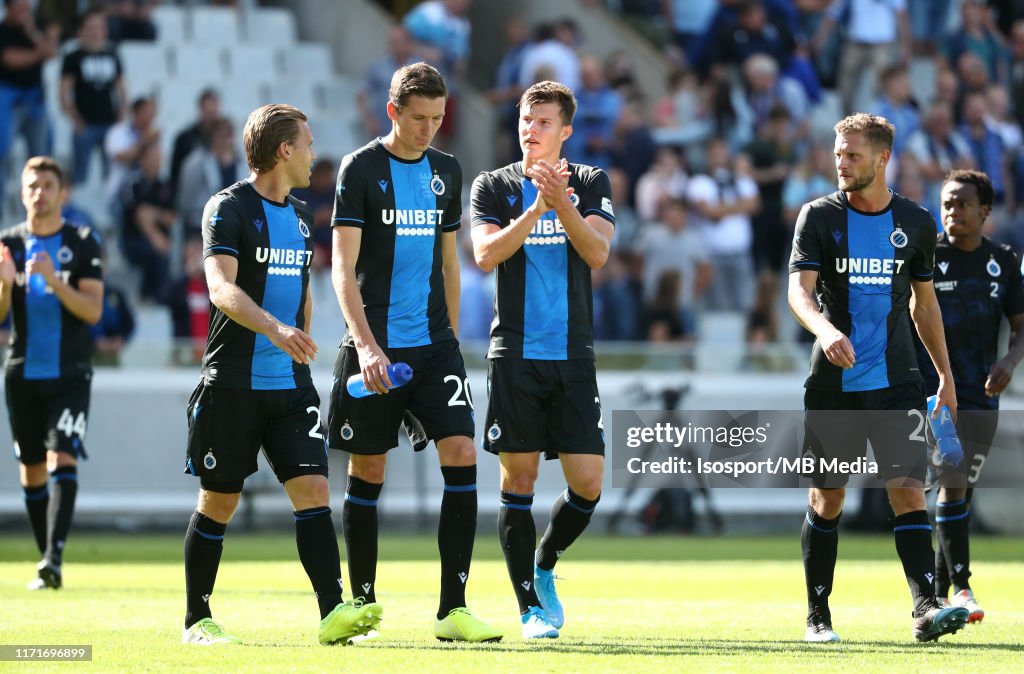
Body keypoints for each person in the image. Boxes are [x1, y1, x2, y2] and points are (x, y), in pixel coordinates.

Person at [181, 104, 381, 646]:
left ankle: (332, 612)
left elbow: (301, 287)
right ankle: (196, 619)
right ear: (284, 150)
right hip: (233, 383)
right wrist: (276, 329)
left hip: (290, 386)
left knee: (315, 488)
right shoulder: (226, 209)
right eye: (308, 144)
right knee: (219, 500)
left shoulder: (298, 215)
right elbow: (221, 289)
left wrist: (303, 334)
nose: (315, 154)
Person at [328, 62, 501, 643]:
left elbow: (450, 263)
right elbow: (342, 269)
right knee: (368, 468)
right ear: (392, 112)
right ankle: (363, 604)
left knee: (461, 451)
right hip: (373, 347)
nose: (429, 129)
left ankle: (454, 609)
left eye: (438, 118)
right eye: (419, 118)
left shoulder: (446, 171)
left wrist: (449, 339)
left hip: (434, 349)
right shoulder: (361, 168)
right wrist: (366, 347)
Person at [788, 113, 970, 643]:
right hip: (832, 383)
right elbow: (799, 292)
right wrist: (823, 330)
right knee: (828, 498)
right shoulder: (817, 217)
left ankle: (926, 608)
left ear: (882, 158)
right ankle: (818, 616)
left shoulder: (915, 222)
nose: (840, 163)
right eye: (838, 153)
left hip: (897, 382)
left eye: (852, 155)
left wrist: (945, 375)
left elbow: (924, 304)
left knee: (909, 492)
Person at [470, 80, 615, 639]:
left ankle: (545, 562)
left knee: (588, 483)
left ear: (566, 131)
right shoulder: (494, 185)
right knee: (520, 480)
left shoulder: (590, 182)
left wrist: (563, 206)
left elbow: (598, 252)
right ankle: (529, 607)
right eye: (526, 120)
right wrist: (536, 209)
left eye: (544, 122)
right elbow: (485, 254)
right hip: (515, 356)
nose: (532, 129)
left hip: (573, 354)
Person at [915, 169, 1024, 623]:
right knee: (953, 478)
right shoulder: (925, 258)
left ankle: (940, 596)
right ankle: (962, 587)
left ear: (985, 210)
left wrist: (1009, 362)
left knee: (959, 492)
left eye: (961, 203)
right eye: (946, 203)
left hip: (983, 394)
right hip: (936, 393)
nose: (952, 211)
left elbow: (1021, 329)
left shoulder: (1003, 260)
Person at [0, 156, 104, 591]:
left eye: (47, 184)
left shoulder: (82, 242)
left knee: (61, 454)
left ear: (63, 192)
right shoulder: (8, 243)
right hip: (22, 371)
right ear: (22, 193)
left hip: (70, 371)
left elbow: (93, 310)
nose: (39, 192)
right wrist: (6, 284)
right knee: (30, 469)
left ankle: (52, 560)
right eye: (32, 185)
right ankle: (49, 563)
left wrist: (54, 281)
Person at [59, 8, 124, 185]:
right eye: (91, 27)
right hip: (85, 124)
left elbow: (121, 89)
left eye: (99, 27)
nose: (96, 32)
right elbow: (63, 92)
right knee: (80, 175)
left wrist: (121, 118)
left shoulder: (112, 54)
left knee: (111, 174)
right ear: (82, 30)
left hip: (109, 123)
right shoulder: (73, 57)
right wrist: (76, 120)